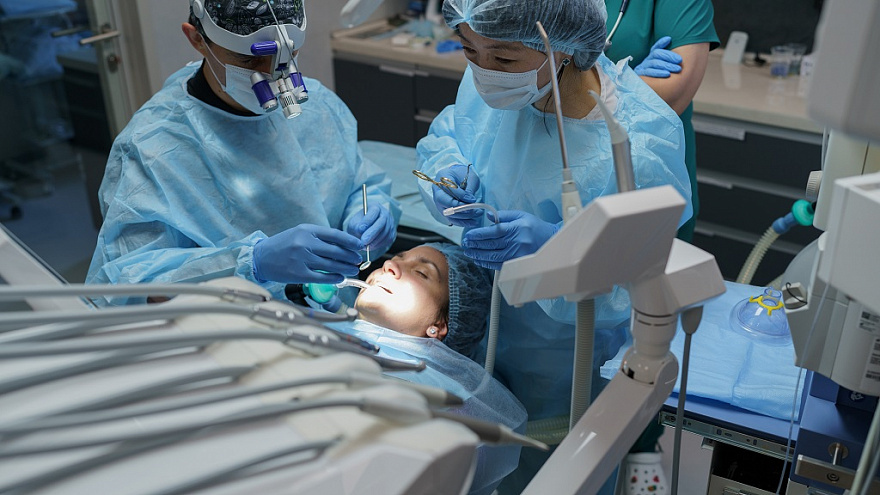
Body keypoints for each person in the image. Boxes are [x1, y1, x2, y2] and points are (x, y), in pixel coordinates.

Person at [415, 0, 692, 492]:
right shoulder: (497, 81)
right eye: (468, 50)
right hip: (483, 333)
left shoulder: (640, 144)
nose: (483, 71)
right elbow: (452, 131)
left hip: (566, 361)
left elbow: (638, 284)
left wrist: (561, 248)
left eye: (503, 58)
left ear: (562, 47)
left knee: (558, 475)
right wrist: (446, 173)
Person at [86, 0, 400, 305]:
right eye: (249, 61)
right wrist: (251, 263)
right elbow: (132, 282)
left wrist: (369, 210)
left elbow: (357, 180)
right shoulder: (150, 147)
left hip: (333, 311)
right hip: (233, 329)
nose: (273, 75)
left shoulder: (318, 104)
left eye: (287, 55)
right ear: (197, 39)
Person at [326, 242, 526, 495]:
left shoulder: (438, 409)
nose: (389, 265)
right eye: (397, 258)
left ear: (439, 326)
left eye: (421, 273)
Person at [604, 0, 720, 242]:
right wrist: (626, 83)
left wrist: (600, 86)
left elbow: (674, 91)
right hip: (549, 161)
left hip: (649, 169)